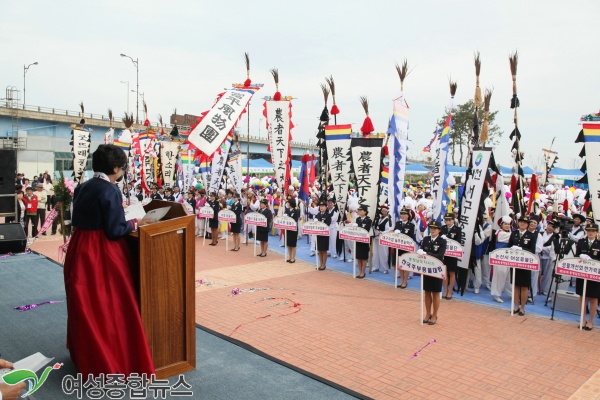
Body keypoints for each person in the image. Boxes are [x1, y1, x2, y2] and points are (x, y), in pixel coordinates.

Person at [63, 144, 154, 377]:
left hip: (80, 247)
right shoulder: (110, 190)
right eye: (122, 166)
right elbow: (115, 230)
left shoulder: (83, 187)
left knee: (86, 305)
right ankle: (113, 358)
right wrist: (136, 223)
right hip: (101, 252)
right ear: (116, 167)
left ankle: (87, 357)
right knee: (111, 305)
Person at [419, 220, 446, 325]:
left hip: (436, 269)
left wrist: (426, 253)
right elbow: (421, 251)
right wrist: (420, 253)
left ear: (439, 230)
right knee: (427, 292)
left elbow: (440, 255)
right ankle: (427, 313)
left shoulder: (442, 241)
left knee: (435, 293)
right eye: (431, 228)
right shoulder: (426, 239)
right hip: (426, 269)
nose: (433, 230)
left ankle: (434, 315)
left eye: (435, 228)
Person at [509, 215, 537, 316]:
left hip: (525, 263)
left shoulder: (532, 235)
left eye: (525, 222)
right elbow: (509, 246)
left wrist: (522, 250)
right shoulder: (514, 233)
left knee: (524, 287)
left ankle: (522, 308)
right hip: (515, 262)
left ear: (527, 224)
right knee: (516, 286)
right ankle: (516, 306)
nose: (522, 224)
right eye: (521, 222)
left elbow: (532, 250)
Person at [576, 223, 600, 330]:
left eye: (593, 231)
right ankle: (583, 319)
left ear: (596, 232)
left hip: (595, 274)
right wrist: (580, 256)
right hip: (582, 273)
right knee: (582, 296)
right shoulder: (581, 242)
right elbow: (576, 256)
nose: (590, 233)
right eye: (589, 230)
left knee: (594, 298)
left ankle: (591, 321)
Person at [491, 216, 513, 303]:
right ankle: (496, 294)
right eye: (505, 224)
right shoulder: (500, 233)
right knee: (500, 276)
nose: (507, 226)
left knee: (508, 278)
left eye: (508, 224)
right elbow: (512, 238)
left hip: (508, 258)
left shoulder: (509, 233)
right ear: (501, 225)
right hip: (500, 258)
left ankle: (512, 294)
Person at [393, 207, 417, 288]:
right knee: (400, 265)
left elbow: (412, 236)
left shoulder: (411, 225)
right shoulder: (398, 223)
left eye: (405, 214)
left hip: (406, 248)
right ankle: (401, 280)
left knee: (406, 265)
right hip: (398, 247)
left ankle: (405, 281)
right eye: (402, 214)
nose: (403, 216)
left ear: (408, 216)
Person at [441, 213, 461, 300]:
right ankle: (445, 290)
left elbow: (458, 242)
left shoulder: (457, 229)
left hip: (452, 254)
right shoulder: (443, 228)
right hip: (444, 254)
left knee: (452, 273)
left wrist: (448, 239)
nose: (448, 222)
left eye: (450, 220)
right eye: (447, 220)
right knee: (444, 272)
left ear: (453, 220)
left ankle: (450, 290)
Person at [354, 204, 372, 279]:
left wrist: (358, 229)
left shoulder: (369, 220)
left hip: (364, 240)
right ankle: (359, 271)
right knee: (358, 257)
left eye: (361, 210)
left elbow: (366, 230)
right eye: (359, 210)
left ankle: (363, 272)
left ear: (365, 212)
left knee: (364, 257)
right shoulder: (357, 219)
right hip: (358, 240)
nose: (359, 212)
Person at [372, 205, 392, 273]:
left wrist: (382, 233)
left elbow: (389, 229)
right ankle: (376, 266)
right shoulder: (378, 218)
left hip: (383, 237)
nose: (383, 212)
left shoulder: (388, 219)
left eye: (385, 211)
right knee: (375, 252)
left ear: (387, 212)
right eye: (382, 211)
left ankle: (385, 268)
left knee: (383, 253)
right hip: (376, 237)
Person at [315, 200, 331, 270]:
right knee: (319, 250)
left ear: (326, 207)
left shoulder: (328, 215)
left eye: (323, 206)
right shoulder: (318, 214)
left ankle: (323, 264)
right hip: (318, 234)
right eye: (320, 206)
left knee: (324, 250)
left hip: (324, 234)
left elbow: (328, 224)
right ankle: (320, 263)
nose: (321, 207)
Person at [285, 198, 300, 262]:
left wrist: (288, 218)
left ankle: (293, 257)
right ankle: (289, 256)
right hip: (288, 228)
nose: (287, 204)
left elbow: (295, 219)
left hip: (293, 229)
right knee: (288, 243)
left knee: (293, 244)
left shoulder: (296, 211)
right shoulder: (287, 210)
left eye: (288, 203)